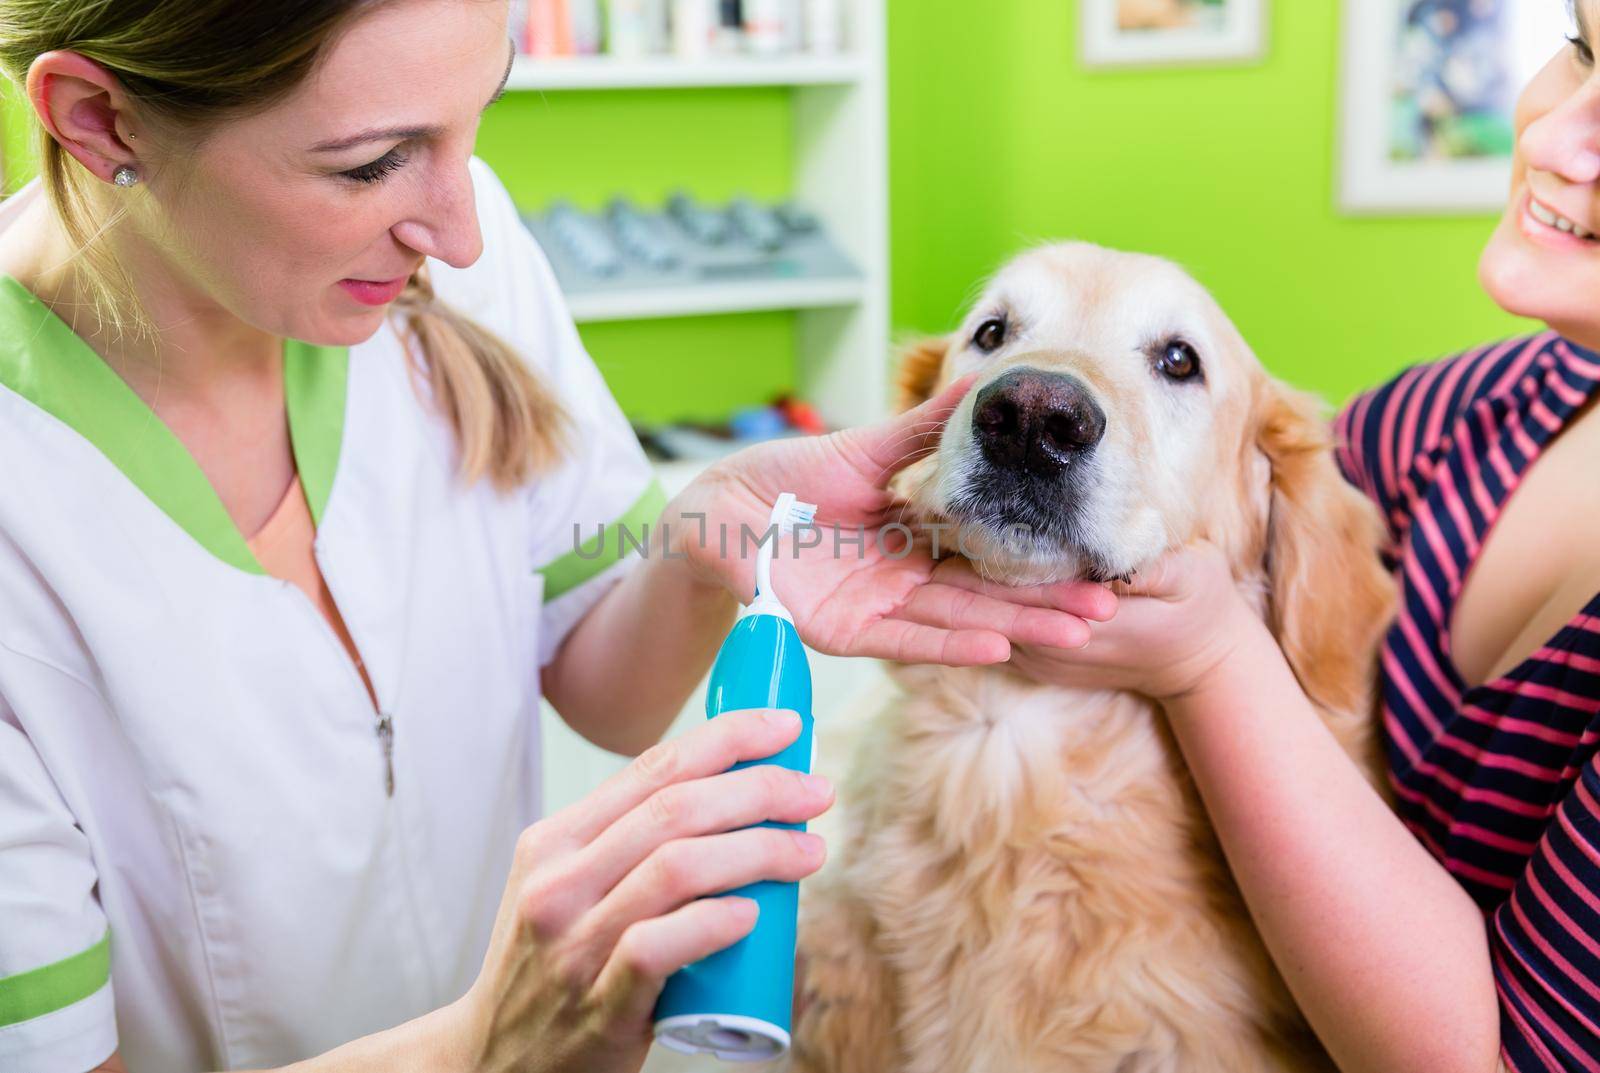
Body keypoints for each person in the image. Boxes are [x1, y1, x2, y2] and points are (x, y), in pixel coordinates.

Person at [0, 2, 1116, 1070]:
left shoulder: (441, 270)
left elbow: (607, 694)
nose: (465, 230)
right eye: (369, 163)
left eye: (478, 114)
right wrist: (482, 1043)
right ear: (102, 120)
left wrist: (699, 543)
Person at [1008, 4, 1600, 1070]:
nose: (1556, 139)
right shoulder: (1460, 417)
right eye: (1586, 48)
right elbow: (1219, 496)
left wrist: (1210, 661)